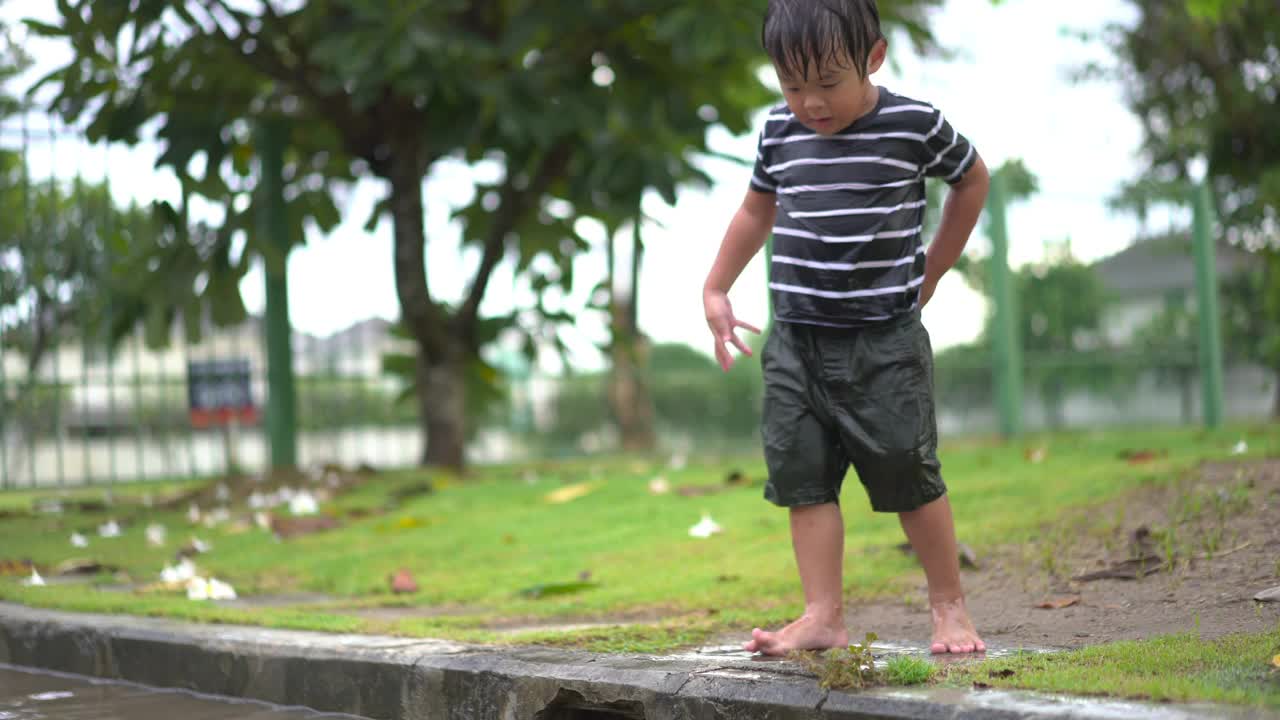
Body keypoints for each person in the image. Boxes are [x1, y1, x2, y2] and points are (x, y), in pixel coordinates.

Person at [701, 0, 989, 656]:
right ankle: (822, 615)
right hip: (795, 341)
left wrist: (936, 268)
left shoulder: (914, 125)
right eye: (792, 84)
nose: (810, 102)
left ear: (874, 59)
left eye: (828, 83)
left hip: (882, 340)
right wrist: (716, 285)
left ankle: (949, 608)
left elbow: (972, 180)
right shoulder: (779, 129)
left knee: (908, 471)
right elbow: (755, 210)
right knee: (803, 477)